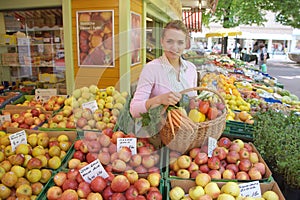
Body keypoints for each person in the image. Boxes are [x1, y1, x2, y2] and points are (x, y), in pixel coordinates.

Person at [130, 20, 198, 118]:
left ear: (185, 44)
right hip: (159, 131)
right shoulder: (151, 69)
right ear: (162, 42)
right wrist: (159, 100)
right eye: (169, 41)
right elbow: (134, 110)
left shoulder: (191, 69)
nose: (174, 48)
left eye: (180, 42)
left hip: (187, 130)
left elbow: (193, 103)